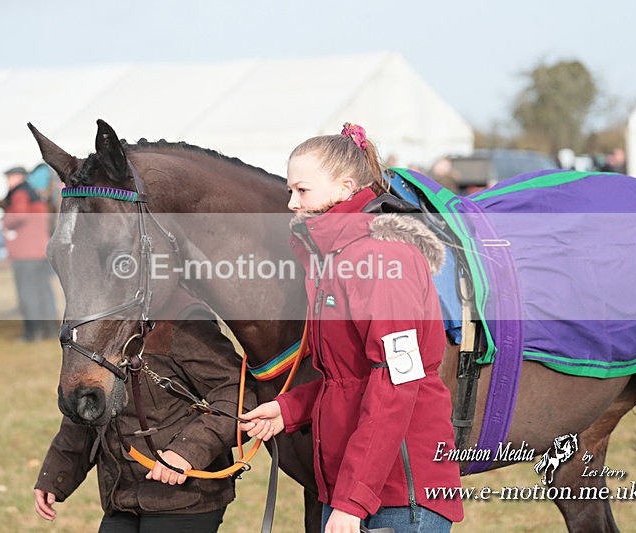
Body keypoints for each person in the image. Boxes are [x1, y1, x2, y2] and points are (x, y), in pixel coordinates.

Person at [240, 123, 463, 532]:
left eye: (302, 191)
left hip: (397, 495)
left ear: (344, 188)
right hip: (355, 490)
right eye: (290, 191)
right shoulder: (338, 258)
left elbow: (397, 382)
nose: (291, 203)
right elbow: (348, 379)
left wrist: (353, 501)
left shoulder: (380, 259)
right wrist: (287, 409)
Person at [33, 308, 254, 533]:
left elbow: (240, 394)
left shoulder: (182, 322)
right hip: (123, 497)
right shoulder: (97, 321)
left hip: (186, 499)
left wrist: (186, 452)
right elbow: (88, 405)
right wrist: (56, 474)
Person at [1, 165, 57, 341]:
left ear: (18, 177)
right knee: (44, 292)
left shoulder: (20, 194)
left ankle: (32, 333)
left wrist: (5, 220)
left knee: (28, 294)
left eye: (10, 177)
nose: (7, 180)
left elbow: (19, 216)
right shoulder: (36, 193)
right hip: (40, 251)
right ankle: (50, 330)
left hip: (26, 253)